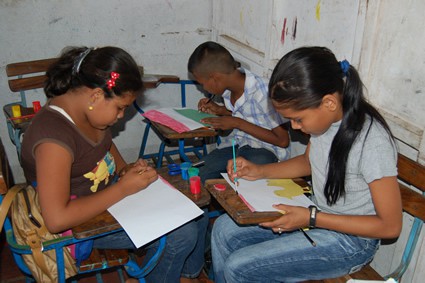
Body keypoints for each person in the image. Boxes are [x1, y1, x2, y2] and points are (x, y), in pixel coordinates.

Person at [211, 46, 403, 282]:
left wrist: (312, 218)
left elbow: (390, 226)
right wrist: (260, 171)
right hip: (317, 216)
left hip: (351, 241)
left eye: (297, 119)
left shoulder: (372, 142)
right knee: (223, 230)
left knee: (240, 268)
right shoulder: (324, 122)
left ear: (329, 103)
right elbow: (308, 162)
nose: (294, 127)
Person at [20, 46, 208, 283]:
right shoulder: (54, 140)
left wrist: (124, 169)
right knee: (181, 234)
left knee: (194, 210)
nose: (120, 116)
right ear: (96, 96)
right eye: (120, 108)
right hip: (77, 226)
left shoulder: (87, 112)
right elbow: (57, 219)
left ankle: (184, 276)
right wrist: (123, 188)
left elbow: (104, 144)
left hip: (107, 200)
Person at [187, 41, 290, 183]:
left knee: (242, 179)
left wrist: (237, 123)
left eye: (202, 83)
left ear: (215, 78)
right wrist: (220, 110)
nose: (203, 88)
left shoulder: (263, 93)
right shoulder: (228, 91)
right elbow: (248, 115)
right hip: (238, 145)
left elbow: (283, 140)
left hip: (266, 151)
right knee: (198, 172)